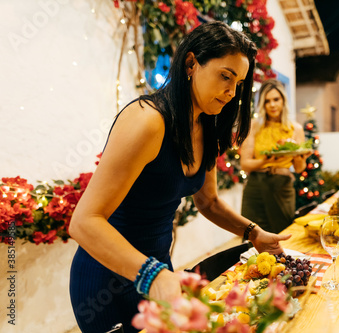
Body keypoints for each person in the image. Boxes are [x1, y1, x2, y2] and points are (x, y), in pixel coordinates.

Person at [68, 22, 291, 333]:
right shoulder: (147, 120)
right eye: (225, 76)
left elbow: (209, 202)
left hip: (159, 269)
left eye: (238, 83)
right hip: (108, 277)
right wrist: (152, 275)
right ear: (191, 64)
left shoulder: (209, 126)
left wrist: (253, 232)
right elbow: (83, 221)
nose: (231, 91)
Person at [240, 79, 311, 234]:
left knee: (282, 233)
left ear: (283, 101)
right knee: (251, 234)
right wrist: (265, 161)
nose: (272, 105)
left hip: (282, 185)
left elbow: (299, 169)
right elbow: (245, 164)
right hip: (255, 186)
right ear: (262, 104)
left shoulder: (295, 129)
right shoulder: (254, 126)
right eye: (267, 101)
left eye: (276, 99)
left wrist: (301, 156)